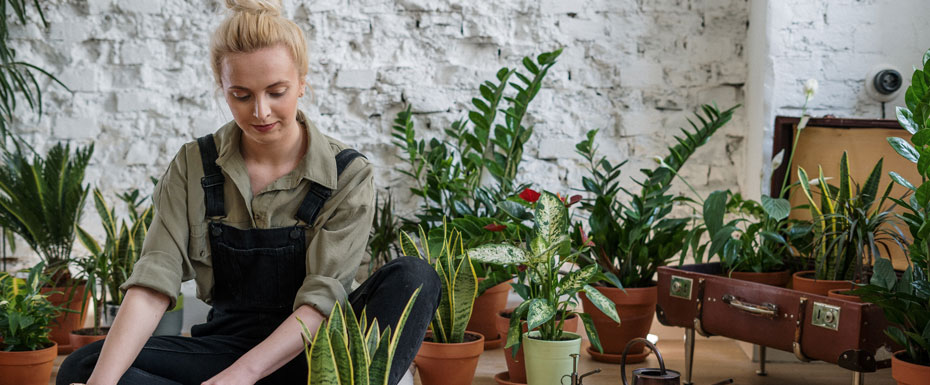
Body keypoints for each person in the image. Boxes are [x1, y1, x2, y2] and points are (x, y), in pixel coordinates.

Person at [56, 1, 440, 384]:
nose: (260, 112)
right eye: (241, 95)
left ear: (302, 81)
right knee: (86, 367)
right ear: (221, 87)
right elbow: (152, 285)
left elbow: (322, 301)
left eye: (277, 92)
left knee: (415, 276)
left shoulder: (347, 174)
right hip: (226, 346)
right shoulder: (193, 165)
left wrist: (240, 378)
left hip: (320, 353)